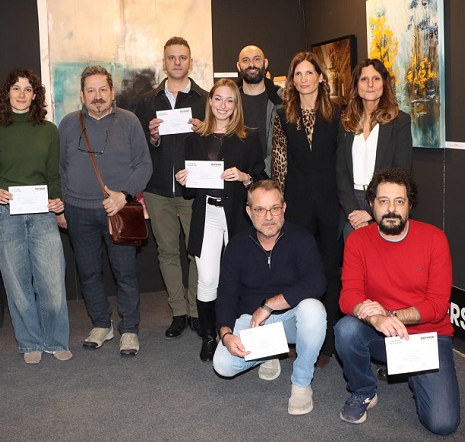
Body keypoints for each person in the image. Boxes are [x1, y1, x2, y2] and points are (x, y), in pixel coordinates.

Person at [334, 168, 460, 435]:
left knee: (443, 424)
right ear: (371, 204)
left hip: (427, 335)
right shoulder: (357, 240)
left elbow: (437, 306)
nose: (391, 209)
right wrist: (375, 318)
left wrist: (390, 316)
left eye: (399, 201)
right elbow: (348, 296)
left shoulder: (434, 239)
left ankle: (414, 372)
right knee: (346, 329)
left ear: (409, 205)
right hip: (379, 333)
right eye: (383, 201)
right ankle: (364, 390)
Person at [59, 65, 152, 356]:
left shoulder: (129, 121)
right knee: (88, 273)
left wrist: (124, 196)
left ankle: (130, 328)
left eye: (102, 89)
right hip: (77, 211)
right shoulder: (68, 124)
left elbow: (144, 165)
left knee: (125, 273)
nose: (97, 96)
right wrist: (61, 206)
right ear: (82, 95)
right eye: (91, 90)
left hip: (118, 212)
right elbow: (59, 168)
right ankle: (101, 324)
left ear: (112, 92)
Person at [213, 179, 327, 415]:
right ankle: (268, 351)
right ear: (249, 212)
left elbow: (317, 282)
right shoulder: (236, 246)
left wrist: (269, 305)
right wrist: (225, 334)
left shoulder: (301, 238)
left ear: (284, 208)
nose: (268, 217)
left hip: (291, 318)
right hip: (253, 323)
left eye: (274, 208)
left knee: (314, 309)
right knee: (223, 365)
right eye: (260, 209)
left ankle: (301, 383)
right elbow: (226, 295)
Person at [175, 78, 266, 362]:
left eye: (229, 100)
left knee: (243, 277)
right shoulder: (194, 139)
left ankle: (246, 332)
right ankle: (209, 336)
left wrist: (245, 177)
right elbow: (190, 191)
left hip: (238, 215)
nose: (223, 105)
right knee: (207, 279)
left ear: (236, 104)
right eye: (218, 99)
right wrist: (184, 181)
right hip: (207, 216)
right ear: (210, 101)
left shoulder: (249, 137)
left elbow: (260, 180)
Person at [0, 68, 71, 364]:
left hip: (42, 214)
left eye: (28, 89)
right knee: (17, 285)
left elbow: (53, 173)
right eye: (16, 88)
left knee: (52, 282)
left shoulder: (48, 130)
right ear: (7, 93)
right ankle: (29, 342)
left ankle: (55, 339)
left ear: (35, 95)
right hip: (5, 214)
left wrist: (57, 200)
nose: (22, 94)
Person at [135, 37, 208, 339]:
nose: (177, 62)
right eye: (171, 57)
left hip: (193, 189)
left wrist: (203, 132)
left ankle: (195, 310)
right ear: (163, 62)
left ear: (191, 61)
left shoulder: (205, 99)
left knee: (197, 253)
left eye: (182, 57)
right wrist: (152, 138)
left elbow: (216, 145)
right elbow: (139, 148)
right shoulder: (147, 101)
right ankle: (178, 312)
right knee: (167, 252)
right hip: (158, 190)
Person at [272, 51, 342, 367]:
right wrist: (278, 205)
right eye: (297, 74)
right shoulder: (283, 115)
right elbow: (279, 163)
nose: (303, 79)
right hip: (297, 204)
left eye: (309, 73)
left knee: (329, 270)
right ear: (292, 80)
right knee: (296, 271)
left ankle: (326, 343)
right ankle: (297, 338)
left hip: (331, 203)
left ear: (320, 77)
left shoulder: (338, 113)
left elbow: (344, 160)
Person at [337, 58, 412, 241]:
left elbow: (401, 171)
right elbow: (341, 170)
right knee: (355, 258)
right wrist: (352, 210)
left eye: (376, 79)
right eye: (364, 79)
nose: (370, 84)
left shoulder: (399, 121)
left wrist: (372, 210)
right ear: (356, 85)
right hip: (351, 207)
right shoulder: (347, 121)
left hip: (385, 203)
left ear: (384, 83)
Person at [237, 45, 283, 176]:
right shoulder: (229, 102)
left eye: (257, 59)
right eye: (245, 60)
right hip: (235, 178)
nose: (251, 64)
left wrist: (263, 174)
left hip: (270, 178)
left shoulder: (282, 101)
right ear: (238, 66)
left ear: (265, 63)